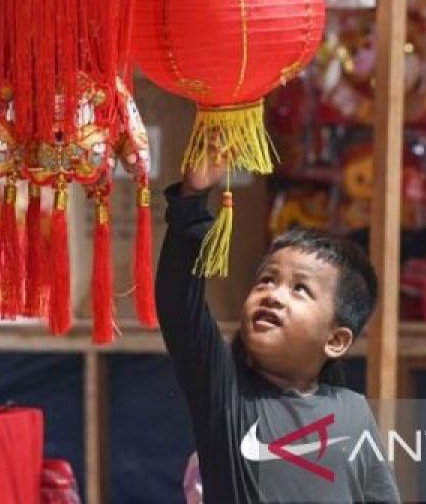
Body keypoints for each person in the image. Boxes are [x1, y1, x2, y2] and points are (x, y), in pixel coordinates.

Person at [158, 159, 400, 503]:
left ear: (335, 340)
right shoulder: (226, 394)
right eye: (267, 280)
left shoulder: (353, 413)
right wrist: (192, 200)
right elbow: (179, 304)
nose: (273, 294)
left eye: (300, 289)